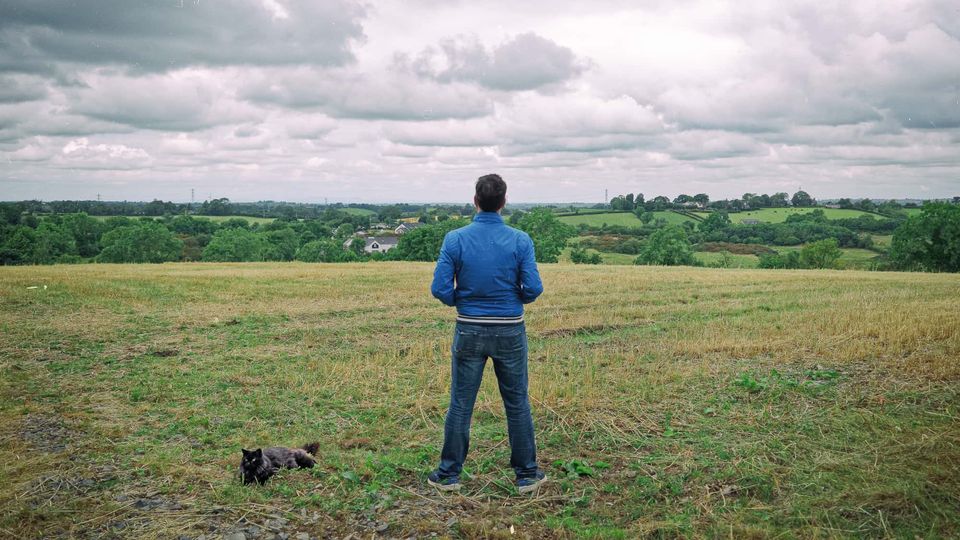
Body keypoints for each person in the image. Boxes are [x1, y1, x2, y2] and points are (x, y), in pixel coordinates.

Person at [427, 173, 547, 495]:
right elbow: (534, 288)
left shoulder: (455, 239)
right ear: (504, 202)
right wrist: (513, 300)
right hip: (510, 331)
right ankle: (527, 475)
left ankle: (448, 474)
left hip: (468, 328)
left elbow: (439, 288)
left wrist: (461, 301)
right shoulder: (521, 240)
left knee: (461, 403)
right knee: (517, 402)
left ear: (475, 201)